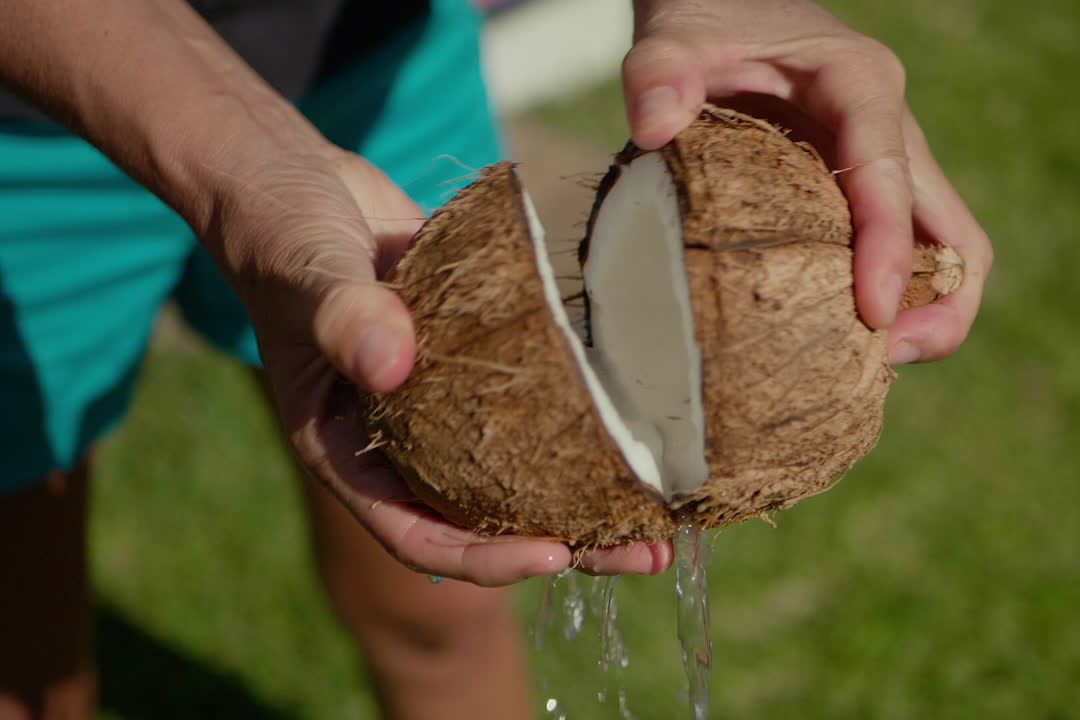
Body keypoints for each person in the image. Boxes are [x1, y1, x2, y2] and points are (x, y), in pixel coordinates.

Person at [0, 0, 993, 717]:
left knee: (443, 615)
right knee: (27, 656)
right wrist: (236, 163)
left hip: (368, 59)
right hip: (26, 124)